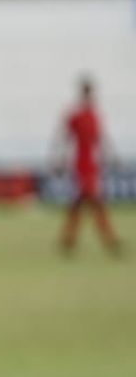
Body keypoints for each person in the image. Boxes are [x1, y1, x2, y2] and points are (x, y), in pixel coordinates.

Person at [55, 76, 122, 255]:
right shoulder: (75, 115)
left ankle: (67, 240)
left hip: (92, 164)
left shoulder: (94, 115)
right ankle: (109, 240)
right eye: (88, 91)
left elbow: (101, 138)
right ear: (83, 92)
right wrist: (59, 159)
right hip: (79, 164)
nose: (91, 95)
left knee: (78, 204)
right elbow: (64, 138)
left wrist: (112, 156)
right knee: (94, 202)